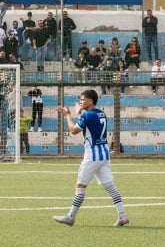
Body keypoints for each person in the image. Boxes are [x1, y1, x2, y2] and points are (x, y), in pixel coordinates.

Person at [53, 89, 129, 227]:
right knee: (110, 186)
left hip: (92, 155)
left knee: (80, 186)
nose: (80, 102)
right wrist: (80, 112)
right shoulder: (101, 113)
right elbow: (89, 119)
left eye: (82, 100)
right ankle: (122, 215)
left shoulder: (86, 116)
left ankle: (70, 217)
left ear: (90, 101)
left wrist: (68, 116)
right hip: (104, 154)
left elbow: (73, 130)